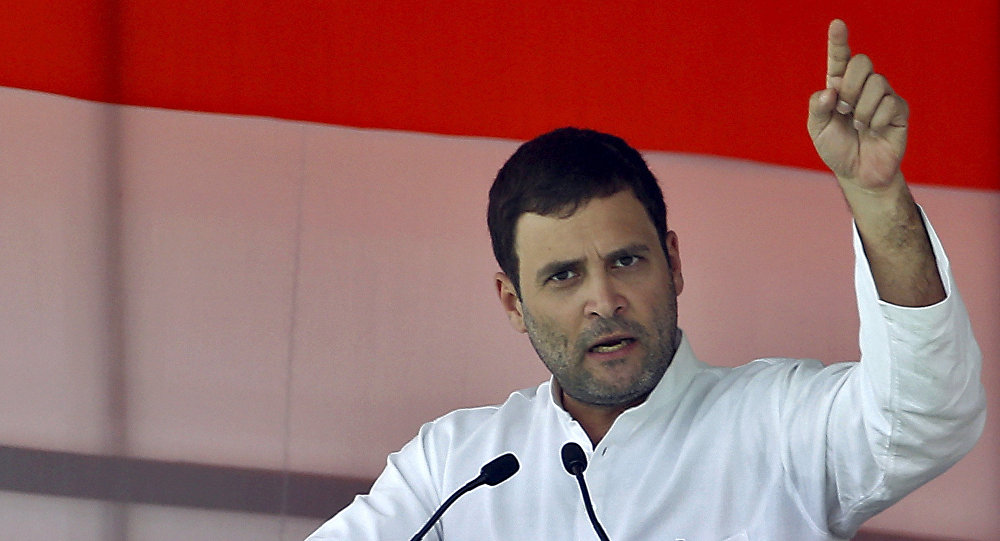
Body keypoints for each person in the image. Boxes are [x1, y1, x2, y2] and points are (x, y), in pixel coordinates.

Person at [305, 19, 985, 540]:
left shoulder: (779, 425)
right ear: (513, 302)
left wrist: (878, 198)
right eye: (564, 276)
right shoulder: (455, 467)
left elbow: (926, 416)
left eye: (626, 261)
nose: (604, 301)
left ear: (674, 263)